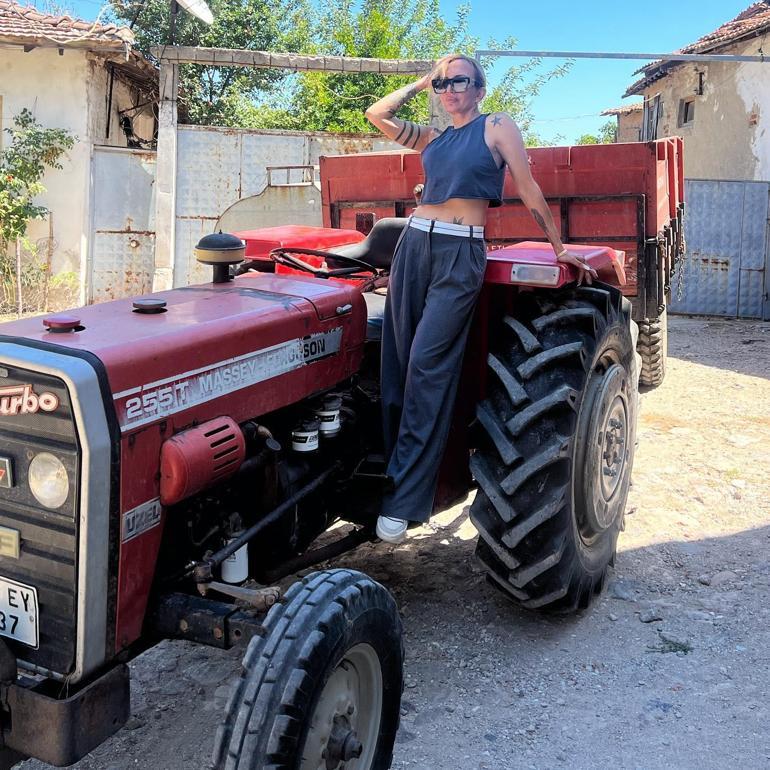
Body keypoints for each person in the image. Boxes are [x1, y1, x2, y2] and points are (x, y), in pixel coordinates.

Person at [365, 54, 597, 544]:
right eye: (443, 83)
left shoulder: (495, 126)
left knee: (428, 367)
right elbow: (376, 115)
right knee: (396, 364)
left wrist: (558, 247)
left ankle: (405, 500)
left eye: (460, 81)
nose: (450, 90)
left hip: (459, 251)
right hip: (413, 246)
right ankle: (386, 474)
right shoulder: (435, 137)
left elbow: (528, 188)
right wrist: (420, 82)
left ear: (480, 89)